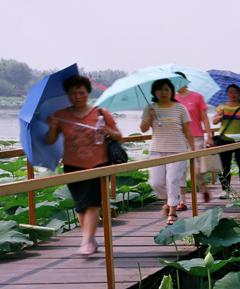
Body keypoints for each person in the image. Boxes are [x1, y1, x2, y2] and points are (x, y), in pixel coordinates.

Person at [43, 75, 122, 256]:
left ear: (88, 93)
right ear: (67, 94)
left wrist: (108, 131)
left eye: (81, 92)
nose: (78, 96)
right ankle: (91, 238)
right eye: (73, 93)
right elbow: (50, 141)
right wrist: (52, 127)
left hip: (98, 164)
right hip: (72, 166)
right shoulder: (61, 115)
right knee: (80, 206)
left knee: (93, 204)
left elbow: (119, 136)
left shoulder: (101, 113)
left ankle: (86, 241)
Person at [139, 78, 196, 225]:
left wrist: (193, 150)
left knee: (172, 180)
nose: (163, 92)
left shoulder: (180, 108)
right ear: (154, 92)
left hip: (177, 150)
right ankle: (168, 200)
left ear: (171, 91)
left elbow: (188, 131)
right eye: (160, 89)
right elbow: (143, 129)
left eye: (166, 89)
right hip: (156, 151)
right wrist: (150, 116)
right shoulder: (149, 108)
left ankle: (172, 212)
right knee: (156, 183)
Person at [173, 75, 211, 207]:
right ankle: (182, 200)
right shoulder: (173, 100)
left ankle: (203, 187)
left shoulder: (197, 97)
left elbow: (205, 118)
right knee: (180, 169)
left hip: (196, 137)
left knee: (198, 168)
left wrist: (209, 136)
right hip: (179, 138)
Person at [211, 84, 240, 197]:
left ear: (239, 93)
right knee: (224, 165)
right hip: (224, 139)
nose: (233, 94)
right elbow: (214, 121)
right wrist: (219, 116)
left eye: (235, 92)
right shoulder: (221, 107)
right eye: (230, 92)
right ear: (227, 94)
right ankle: (225, 189)